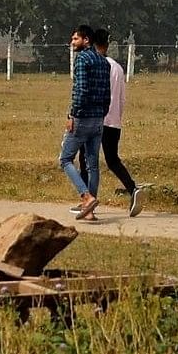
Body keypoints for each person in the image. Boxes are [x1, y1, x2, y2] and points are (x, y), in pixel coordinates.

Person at [59, 24, 112, 218]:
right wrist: (102, 113)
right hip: (98, 118)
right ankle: (89, 211)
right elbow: (108, 94)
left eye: (75, 39)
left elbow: (80, 91)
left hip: (82, 118)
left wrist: (72, 115)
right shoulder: (104, 62)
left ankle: (86, 196)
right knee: (92, 164)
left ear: (86, 40)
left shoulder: (82, 59)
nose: (72, 42)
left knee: (65, 159)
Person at [99, 41, 138, 215]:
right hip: (114, 120)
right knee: (113, 159)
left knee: (86, 158)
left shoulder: (98, 66)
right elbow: (122, 98)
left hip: (98, 119)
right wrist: (117, 118)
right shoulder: (118, 68)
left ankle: (87, 198)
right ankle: (132, 188)